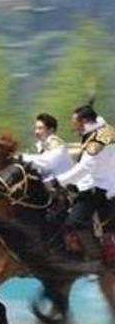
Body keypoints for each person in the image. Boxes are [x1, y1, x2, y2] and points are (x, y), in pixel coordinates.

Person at [49, 101, 115, 259]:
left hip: (100, 187)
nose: (74, 128)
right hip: (107, 183)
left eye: (75, 124)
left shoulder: (96, 141)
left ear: (85, 121)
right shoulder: (107, 130)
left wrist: (59, 182)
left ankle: (96, 258)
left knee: (76, 220)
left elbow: (85, 167)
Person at [22, 112, 73, 180]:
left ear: (51, 130)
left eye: (40, 128)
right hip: (50, 183)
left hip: (64, 186)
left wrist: (23, 157)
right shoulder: (42, 145)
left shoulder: (57, 144)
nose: (36, 132)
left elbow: (47, 163)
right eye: (36, 128)